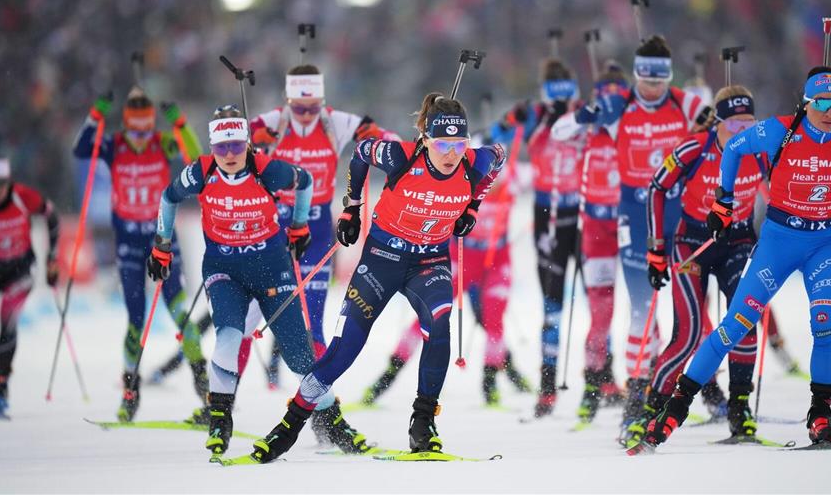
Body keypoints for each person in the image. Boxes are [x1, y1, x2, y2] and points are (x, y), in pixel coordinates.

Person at [634, 67, 831, 453]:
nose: (830, 112)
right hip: (779, 242)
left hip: (827, 243)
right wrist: (723, 201)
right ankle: (675, 408)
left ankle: (820, 415)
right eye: (822, 103)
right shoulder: (778, 131)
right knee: (734, 327)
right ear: (807, 102)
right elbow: (734, 149)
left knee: (824, 323)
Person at [247, 92, 506, 463]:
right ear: (426, 140)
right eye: (442, 144)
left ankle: (423, 423)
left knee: (440, 323)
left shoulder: (476, 161)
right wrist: (352, 209)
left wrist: (472, 207)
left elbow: (499, 157)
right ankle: (290, 424)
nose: (451, 154)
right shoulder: (400, 155)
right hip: (382, 259)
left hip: (430, 261)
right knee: (345, 349)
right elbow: (361, 152)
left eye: (458, 144)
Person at [148, 106, 372, 457]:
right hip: (224, 269)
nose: (230, 155)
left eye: (237, 146)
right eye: (222, 147)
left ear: (247, 144)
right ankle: (219, 418)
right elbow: (168, 197)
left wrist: (299, 225)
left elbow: (305, 182)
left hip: (271, 267)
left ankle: (334, 423)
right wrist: (161, 245)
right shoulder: (201, 172)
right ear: (212, 147)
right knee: (228, 335)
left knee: (300, 357)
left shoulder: (265, 168)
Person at [554, 35, 710, 428]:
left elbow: (725, 134)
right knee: (643, 309)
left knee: (692, 313)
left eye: (660, 79)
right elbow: (560, 131)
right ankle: (637, 398)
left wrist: (718, 110)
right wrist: (586, 115)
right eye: (646, 79)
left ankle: (699, 389)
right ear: (636, 75)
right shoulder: (620, 106)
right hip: (637, 220)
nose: (653, 88)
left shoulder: (684, 103)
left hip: (680, 217)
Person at [622, 86, 767, 448]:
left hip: (738, 242)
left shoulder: (762, 150)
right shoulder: (695, 147)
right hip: (693, 245)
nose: (742, 133)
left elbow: (782, 188)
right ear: (718, 123)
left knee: (745, 322)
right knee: (687, 335)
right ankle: (650, 412)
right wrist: (656, 250)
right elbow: (657, 188)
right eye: (734, 125)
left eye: (749, 124)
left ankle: (739, 409)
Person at [360, 130, 531, 408]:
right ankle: (387, 377)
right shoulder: (463, 179)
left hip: (496, 261)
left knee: (494, 319)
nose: (487, 175)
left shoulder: (512, 176)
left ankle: (491, 384)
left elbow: (547, 176)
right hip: (462, 258)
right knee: (430, 316)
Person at [249, 63, 398, 370]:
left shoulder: (334, 122)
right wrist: (250, 141)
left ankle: (318, 393)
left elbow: (392, 140)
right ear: (287, 101)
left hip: (316, 230)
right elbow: (227, 146)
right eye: (299, 108)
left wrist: (380, 146)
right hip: (276, 227)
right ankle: (226, 392)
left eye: (313, 107)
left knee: (314, 319)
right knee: (255, 312)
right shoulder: (272, 121)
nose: (306, 115)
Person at [73, 89, 207, 422]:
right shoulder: (114, 145)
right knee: (135, 320)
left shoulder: (162, 143)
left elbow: (197, 158)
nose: (140, 139)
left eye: (146, 131)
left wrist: (180, 123)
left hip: (163, 239)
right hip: (129, 243)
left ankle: (205, 389)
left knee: (180, 313)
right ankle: (130, 391)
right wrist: (95, 115)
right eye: (135, 132)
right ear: (125, 126)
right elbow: (81, 149)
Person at [492, 58, 586, 417]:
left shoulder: (584, 112)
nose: (561, 103)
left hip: (585, 212)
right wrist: (509, 119)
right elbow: (497, 138)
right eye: (555, 96)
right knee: (552, 303)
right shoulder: (535, 115)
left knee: (600, 298)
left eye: (567, 95)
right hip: (549, 215)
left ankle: (602, 377)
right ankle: (548, 386)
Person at [550, 61, 628, 426]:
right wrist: (585, 115)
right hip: (595, 228)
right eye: (603, 96)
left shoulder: (631, 123)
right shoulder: (587, 128)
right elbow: (558, 131)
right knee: (601, 312)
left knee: (643, 309)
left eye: (616, 96)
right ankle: (593, 385)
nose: (609, 102)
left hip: (631, 225)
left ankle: (646, 388)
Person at [0, 136, 59, 418]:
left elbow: (51, 217)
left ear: (9, 182)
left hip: (19, 270)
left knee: (8, 320)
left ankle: (1, 385)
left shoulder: (23, 196)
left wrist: (52, 259)